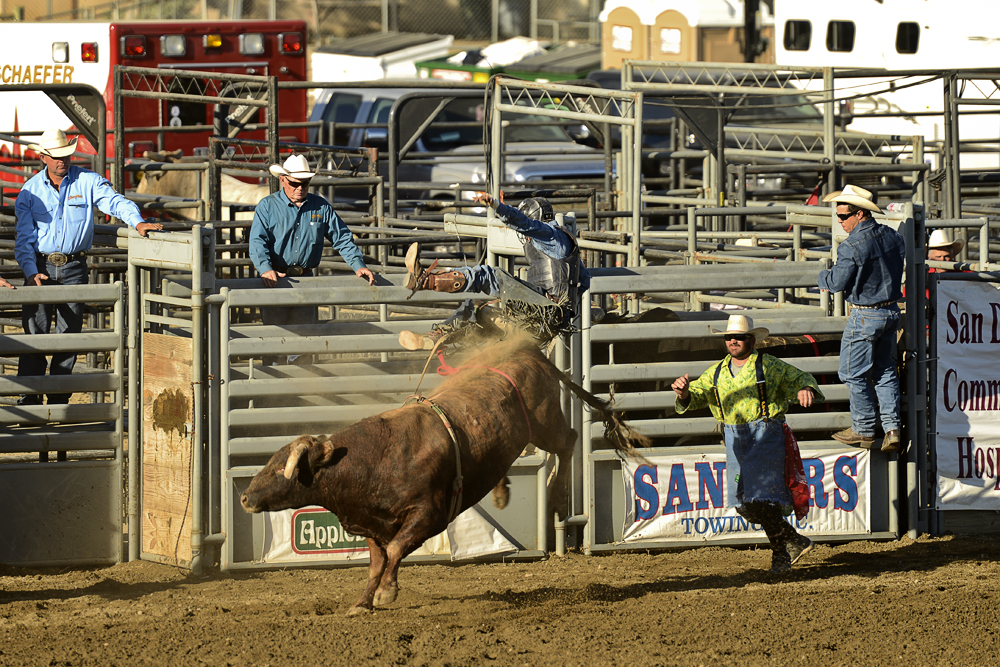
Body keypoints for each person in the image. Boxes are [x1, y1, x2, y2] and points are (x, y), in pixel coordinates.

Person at [14, 129, 162, 405]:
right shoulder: (29, 192)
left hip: (72, 266)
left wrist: (136, 221)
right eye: (57, 156)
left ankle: (58, 398)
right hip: (39, 265)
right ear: (44, 157)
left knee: (69, 334)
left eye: (66, 155)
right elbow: (24, 239)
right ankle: (30, 396)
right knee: (35, 331)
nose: (63, 160)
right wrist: (30, 271)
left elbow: (115, 202)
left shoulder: (87, 182)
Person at [671, 314, 822, 574]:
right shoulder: (716, 371)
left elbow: (799, 378)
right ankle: (793, 540)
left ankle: (780, 556)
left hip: (765, 434)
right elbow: (695, 396)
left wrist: (805, 388)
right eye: (729, 337)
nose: (733, 341)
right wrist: (684, 393)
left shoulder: (769, 365)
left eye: (738, 337)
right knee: (744, 504)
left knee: (759, 500)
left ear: (751, 340)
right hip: (735, 437)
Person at [398, 192, 590, 350]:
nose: (525, 237)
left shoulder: (550, 235)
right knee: (473, 308)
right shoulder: (566, 248)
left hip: (544, 313)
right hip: (541, 323)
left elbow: (525, 224)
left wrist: (497, 206)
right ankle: (434, 338)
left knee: (490, 276)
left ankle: (426, 280)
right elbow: (583, 281)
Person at [817, 185, 905, 453]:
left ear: (860, 214)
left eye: (844, 215)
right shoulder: (892, 236)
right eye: (839, 215)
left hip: (865, 314)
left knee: (852, 373)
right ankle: (892, 429)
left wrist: (822, 275)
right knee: (885, 370)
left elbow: (836, 282)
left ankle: (864, 429)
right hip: (891, 311)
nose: (840, 220)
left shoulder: (852, 245)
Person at [249, 154, 375, 328]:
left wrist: (358, 265)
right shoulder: (267, 206)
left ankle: (299, 356)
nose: (300, 188)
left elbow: (342, 237)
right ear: (283, 180)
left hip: (305, 280)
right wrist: (265, 269)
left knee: (306, 336)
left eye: (305, 183)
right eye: (294, 183)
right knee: (274, 335)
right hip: (275, 279)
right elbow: (257, 242)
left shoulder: (321, 206)